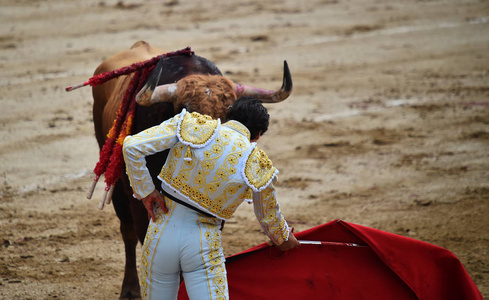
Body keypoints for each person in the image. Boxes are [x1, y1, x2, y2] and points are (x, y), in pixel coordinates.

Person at [123, 96, 300, 300]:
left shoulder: (191, 124)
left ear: (227, 117)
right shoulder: (257, 163)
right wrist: (285, 239)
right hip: (203, 243)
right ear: (258, 135)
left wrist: (146, 192)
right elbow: (269, 217)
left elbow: (131, 147)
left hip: (160, 231)